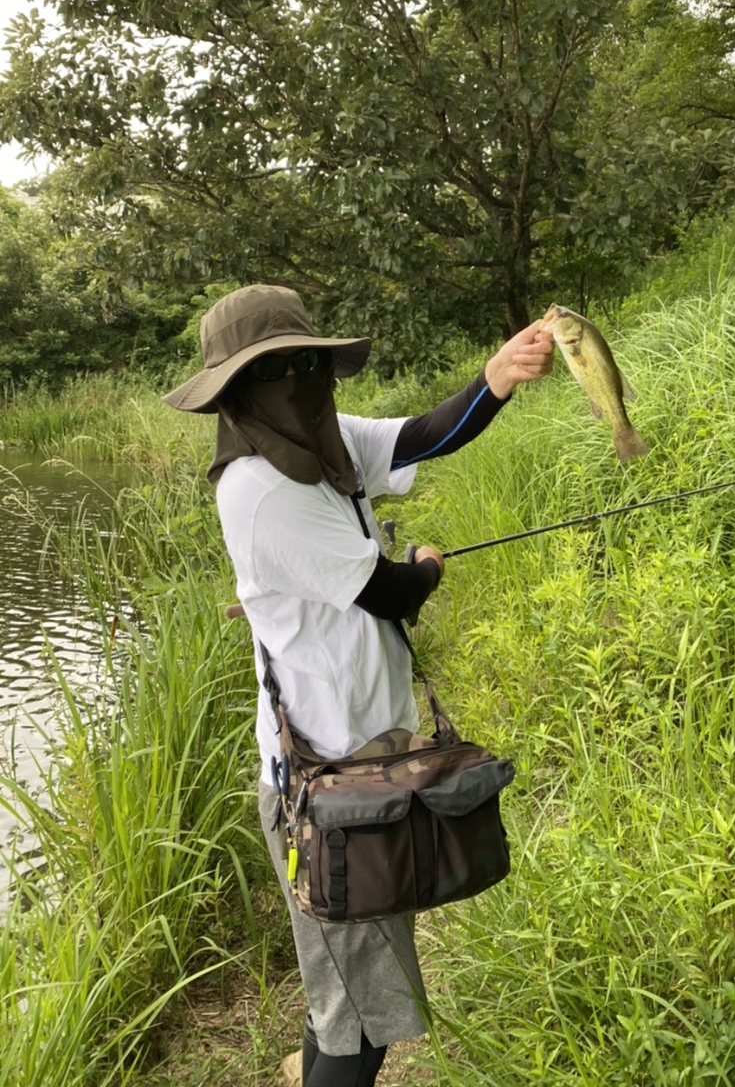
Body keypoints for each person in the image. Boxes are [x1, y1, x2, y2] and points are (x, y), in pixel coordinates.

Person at [163, 283, 553, 1087]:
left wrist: (496, 378)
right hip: (328, 788)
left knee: (344, 993)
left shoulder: (322, 443)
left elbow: (421, 437)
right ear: (235, 393)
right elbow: (389, 593)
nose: (302, 380)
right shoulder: (260, 489)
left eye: (308, 363)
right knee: (362, 1023)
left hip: (369, 764)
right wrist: (425, 567)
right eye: (278, 370)